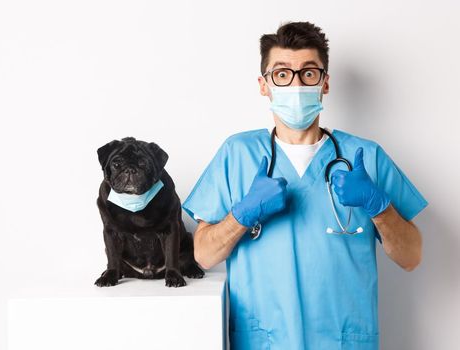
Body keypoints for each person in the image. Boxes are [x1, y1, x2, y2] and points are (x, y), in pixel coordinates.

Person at [182, 22, 427, 349]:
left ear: (325, 83)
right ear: (264, 85)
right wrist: (242, 214)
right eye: (282, 74)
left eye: (309, 73)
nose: (296, 84)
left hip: (343, 341)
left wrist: (378, 207)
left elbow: (411, 257)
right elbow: (204, 255)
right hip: (265, 341)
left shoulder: (364, 157)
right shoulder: (237, 154)